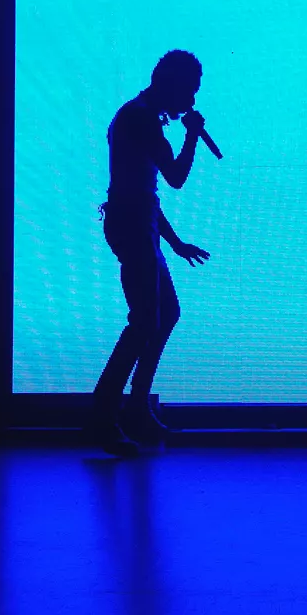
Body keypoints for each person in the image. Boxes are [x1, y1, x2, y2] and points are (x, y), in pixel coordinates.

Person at [88, 50, 212, 456]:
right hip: (133, 226)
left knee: (164, 313)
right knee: (144, 321)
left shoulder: (141, 116)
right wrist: (191, 134)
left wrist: (174, 243)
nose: (191, 101)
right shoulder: (140, 118)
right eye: (189, 90)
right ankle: (104, 417)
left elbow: (146, 192)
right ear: (170, 83)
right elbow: (174, 177)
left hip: (140, 225)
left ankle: (136, 407)